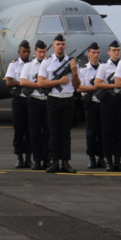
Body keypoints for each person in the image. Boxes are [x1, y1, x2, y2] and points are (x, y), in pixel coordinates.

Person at [37, 34, 80, 173]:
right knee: (54, 132)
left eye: (62, 44)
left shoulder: (72, 62)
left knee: (65, 133)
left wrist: (74, 72)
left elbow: (77, 86)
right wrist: (59, 82)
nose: (60, 46)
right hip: (54, 99)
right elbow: (41, 82)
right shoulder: (47, 62)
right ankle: (54, 161)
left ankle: (65, 162)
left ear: (65, 46)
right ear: (54, 46)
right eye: (58, 44)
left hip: (67, 98)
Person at [20, 41, 50, 170]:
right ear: (35, 51)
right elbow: (22, 81)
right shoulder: (29, 66)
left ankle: (47, 160)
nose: (42, 54)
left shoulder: (50, 65)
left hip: (48, 100)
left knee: (48, 132)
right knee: (35, 131)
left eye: (44, 52)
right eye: (40, 52)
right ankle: (37, 160)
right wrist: (39, 84)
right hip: (34, 100)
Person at [5, 40, 32, 168]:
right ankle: (19, 157)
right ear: (19, 52)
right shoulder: (14, 65)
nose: (26, 54)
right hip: (18, 100)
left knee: (30, 130)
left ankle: (29, 157)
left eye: (28, 52)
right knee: (19, 129)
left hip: (31, 99)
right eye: (24, 52)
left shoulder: (33, 64)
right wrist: (23, 83)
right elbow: (9, 82)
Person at [96, 41, 121, 171]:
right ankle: (109, 161)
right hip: (108, 100)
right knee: (107, 131)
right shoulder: (104, 67)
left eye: (118, 50)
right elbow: (97, 84)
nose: (116, 52)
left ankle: (118, 160)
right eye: (114, 50)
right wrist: (114, 85)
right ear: (109, 52)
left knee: (119, 132)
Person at [77, 42, 102, 169]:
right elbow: (79, 87)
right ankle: (92, 157)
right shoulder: (83, 70)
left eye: (97, 53)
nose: (95, 55)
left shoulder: (104, 69)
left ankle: (102, 158)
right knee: (91, 133)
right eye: (93, 53)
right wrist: (94, 88)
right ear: (88, 54)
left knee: (103, 132)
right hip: (90, 104)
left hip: (103, 104)